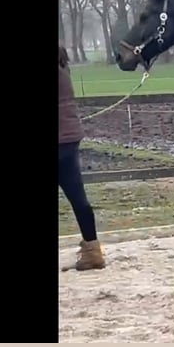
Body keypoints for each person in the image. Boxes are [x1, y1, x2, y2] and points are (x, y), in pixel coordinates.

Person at [59, 45, 105, 272]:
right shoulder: (62, 66)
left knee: (78, 197)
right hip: (68, 138)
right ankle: (93, 250)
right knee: (78, 197)